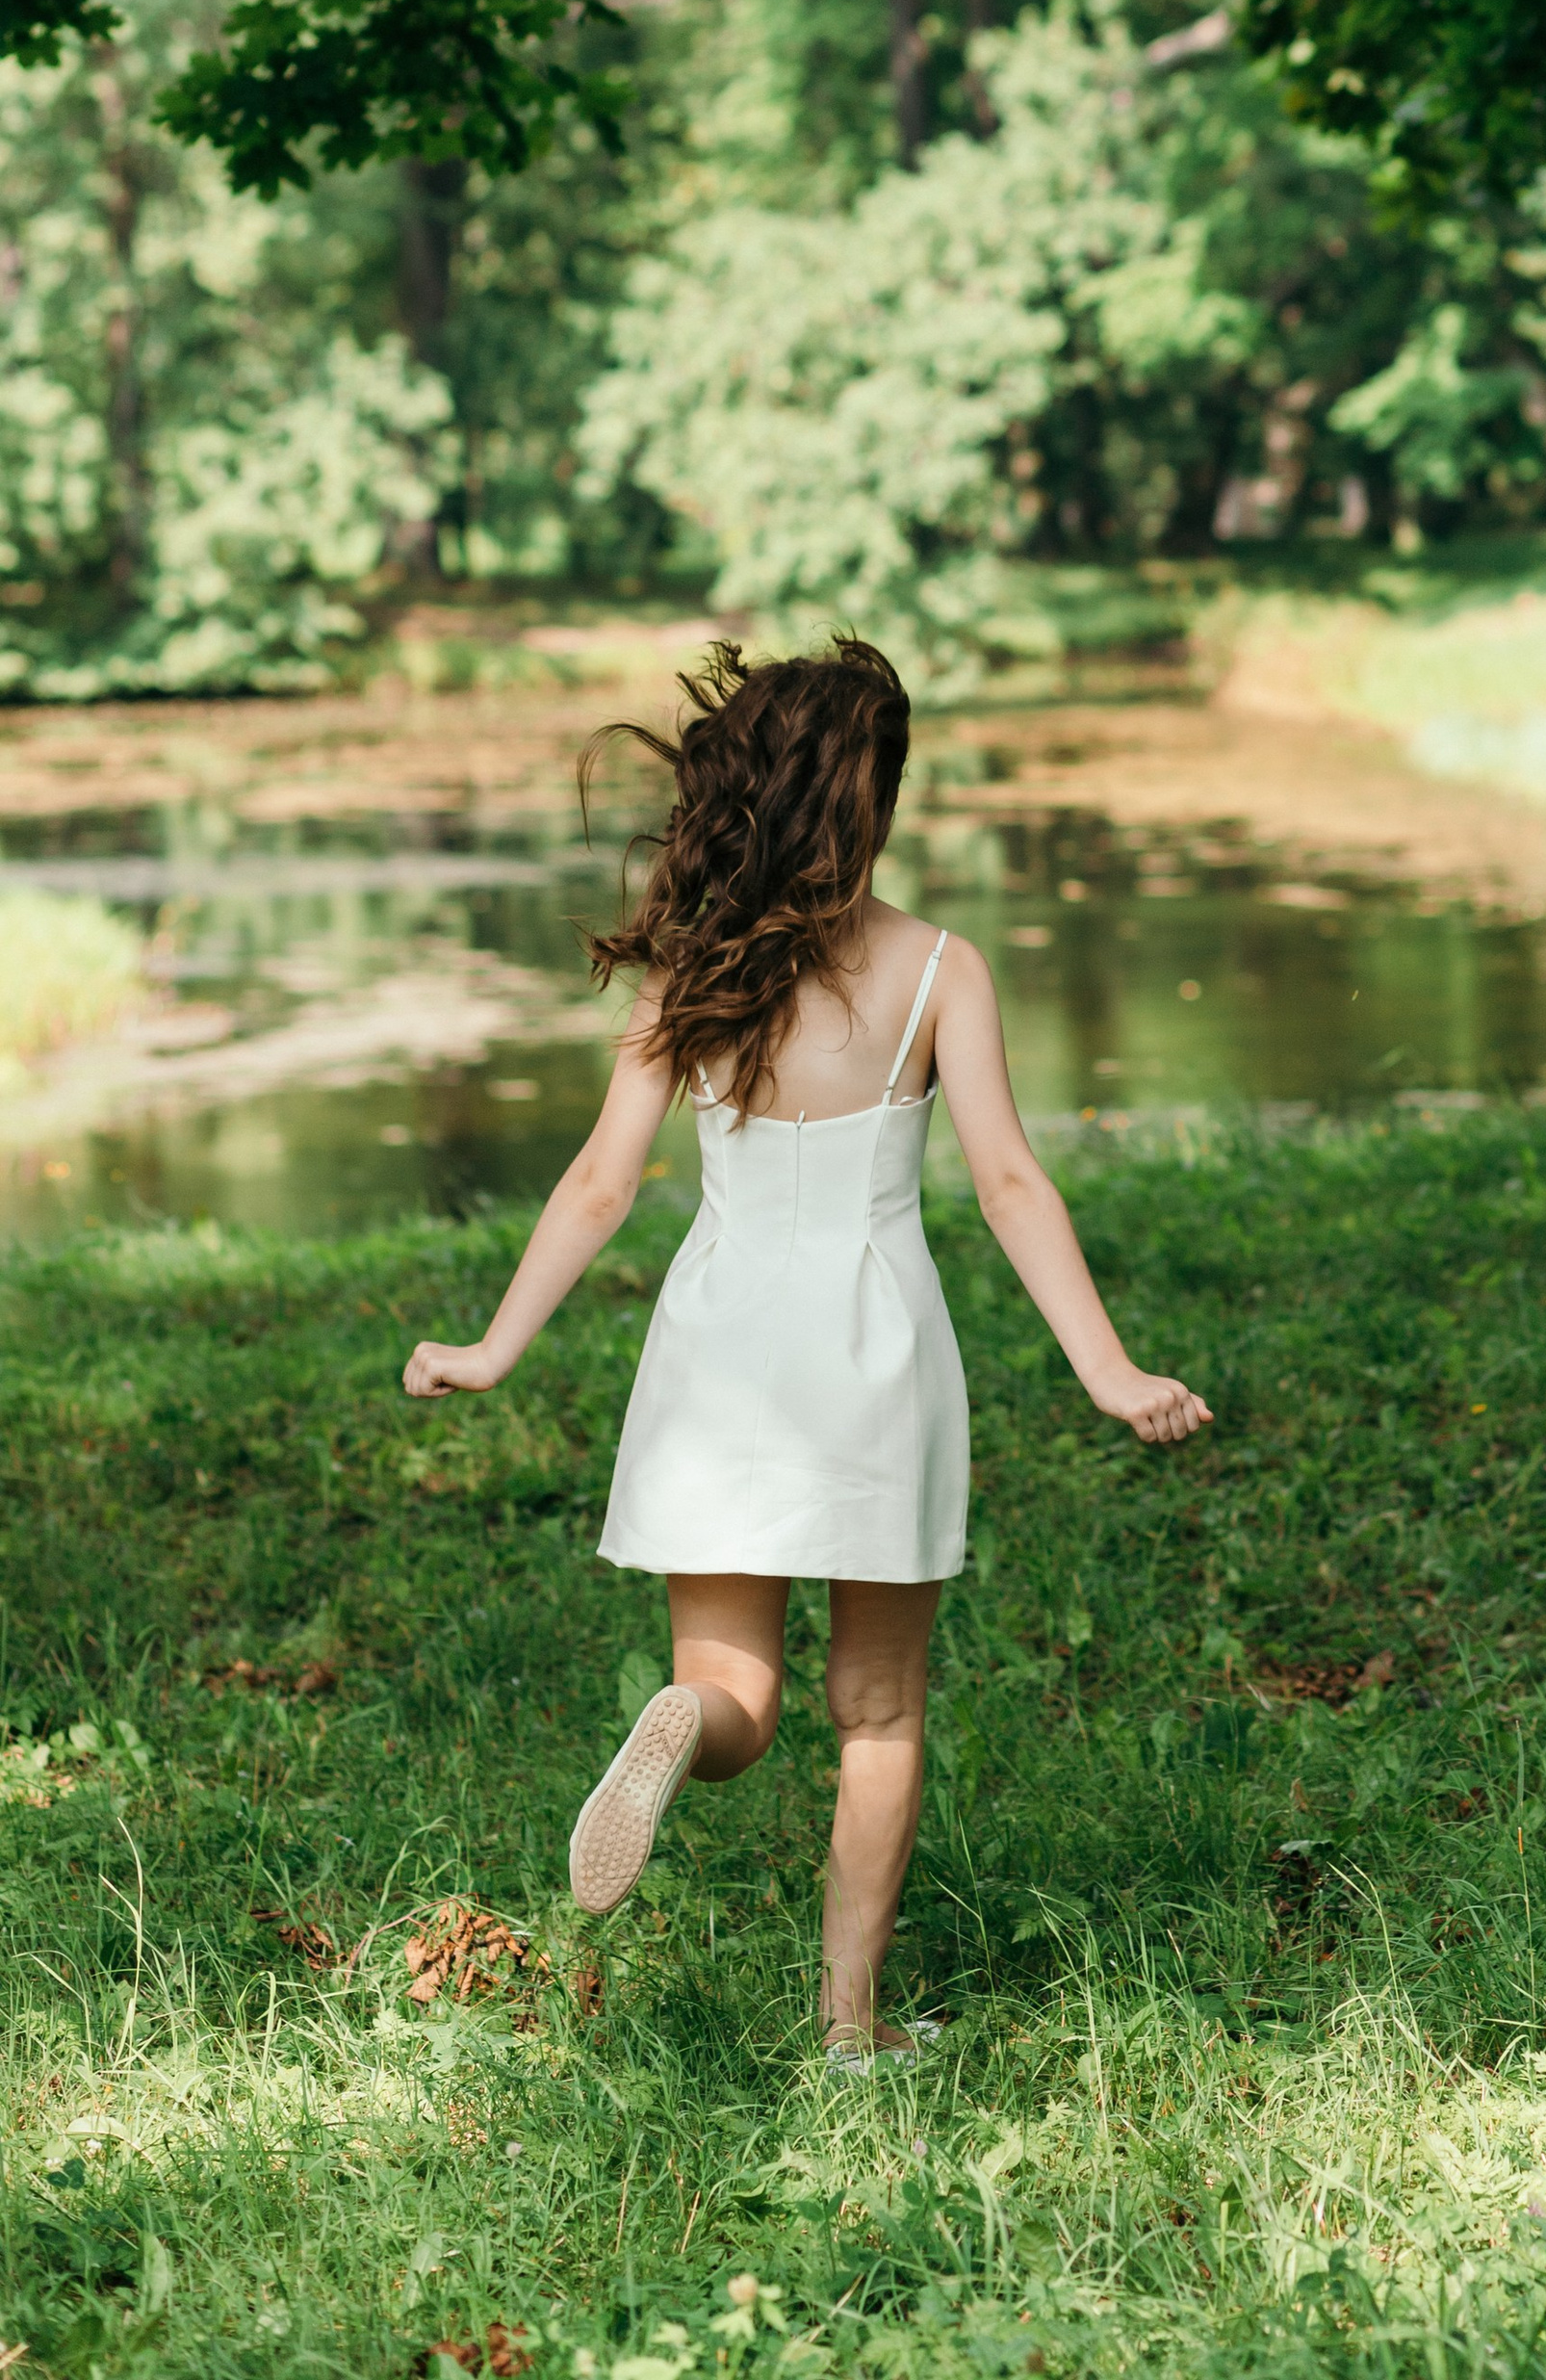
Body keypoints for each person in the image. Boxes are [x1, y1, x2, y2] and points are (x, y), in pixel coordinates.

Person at [401, 634, 1211, 2057]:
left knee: (742, 1696)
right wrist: (1110, 1366)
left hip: (717, 1354)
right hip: (873, 1350)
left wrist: (492, 1342)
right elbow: (1014, 1182)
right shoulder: (936, 969)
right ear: (872, 801)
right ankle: (850, 2028)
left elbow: (598, 1184)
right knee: (877, 1705)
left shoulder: (694, 970)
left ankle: (679, 1724)